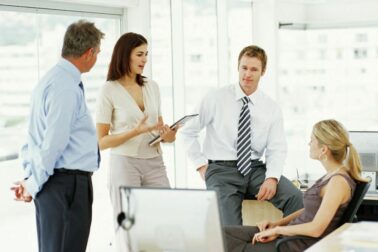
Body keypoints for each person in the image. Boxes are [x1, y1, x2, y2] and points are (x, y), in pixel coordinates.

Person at [180, 45, 303, 226]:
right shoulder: (215, 98)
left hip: (254, 169)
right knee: (230, 230)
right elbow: (187, 132)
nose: (248, 74)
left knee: (296, 199)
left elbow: (276, 148)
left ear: (263, 72)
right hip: (221, 171)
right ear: (238, 67)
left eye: (254, 69)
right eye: (244, 68)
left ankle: (286, 244)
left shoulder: (270, 107)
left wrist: (272, 177)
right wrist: (200, 166)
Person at [10, 20, 104, 252]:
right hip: (66, 187)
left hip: (56, 184)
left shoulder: (51, 80)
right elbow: (53, 145)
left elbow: (32, 138)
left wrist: (31, 180)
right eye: (98, 53)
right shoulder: (65, 87)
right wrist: (33, 184)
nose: (97, 58)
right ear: (89, 53)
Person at [225, 119, 368, 252]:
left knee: (231, 245)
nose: (309, 144)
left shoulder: (338, 182)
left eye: (312, 141)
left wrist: (277, 231)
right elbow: (309, 210)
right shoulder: (331, 176)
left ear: (324, 149)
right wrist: (277, 224)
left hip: (297, 244)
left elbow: (316, 229)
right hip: (289, 235)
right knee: (224, 234)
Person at [95, 32, 177, 251]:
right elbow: (101, 141)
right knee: (128, 228)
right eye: (139, 54)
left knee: (166, 219)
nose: (144, 60)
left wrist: (169, 135)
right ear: (125, 55)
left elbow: (161, 128)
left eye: (146, 54)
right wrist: (134, 132)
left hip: (154, 162)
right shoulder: (109, 90)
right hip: (125, 164)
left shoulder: (153, 86)